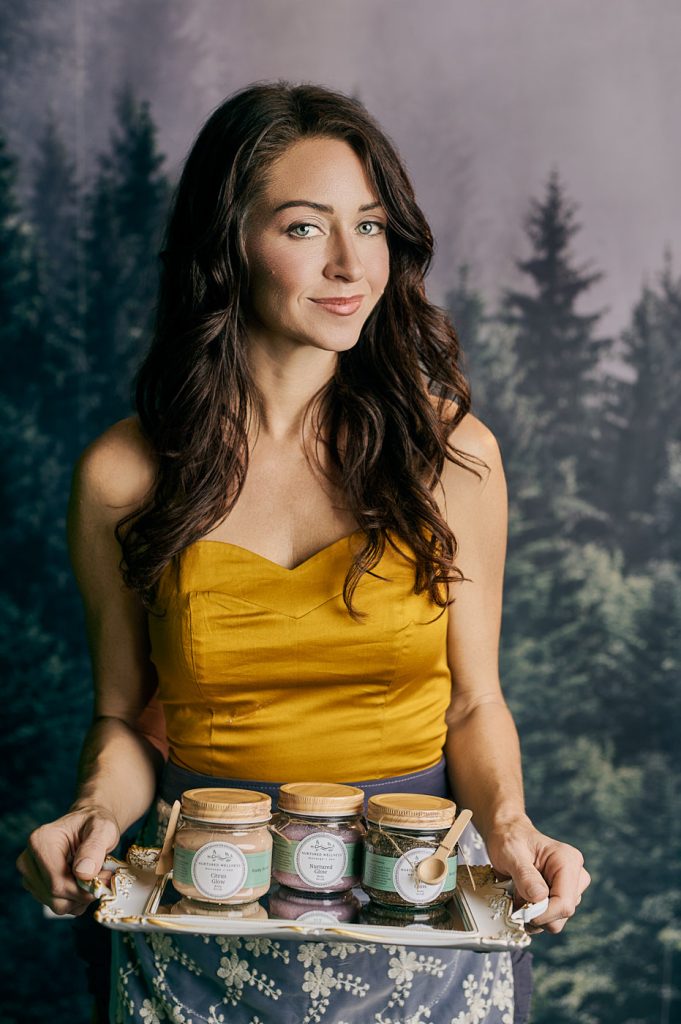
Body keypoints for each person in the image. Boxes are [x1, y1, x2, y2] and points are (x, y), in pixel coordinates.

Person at [17, 80, 589, 1023]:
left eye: (368, 226)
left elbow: (475, 700)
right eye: (301, 228)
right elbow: (126, 721)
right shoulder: (122, 473)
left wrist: (513, 827)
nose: (347, 264)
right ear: (225, 246)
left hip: (422, 917)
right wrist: (92, 814)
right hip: (204, 918)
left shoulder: (454, 455)